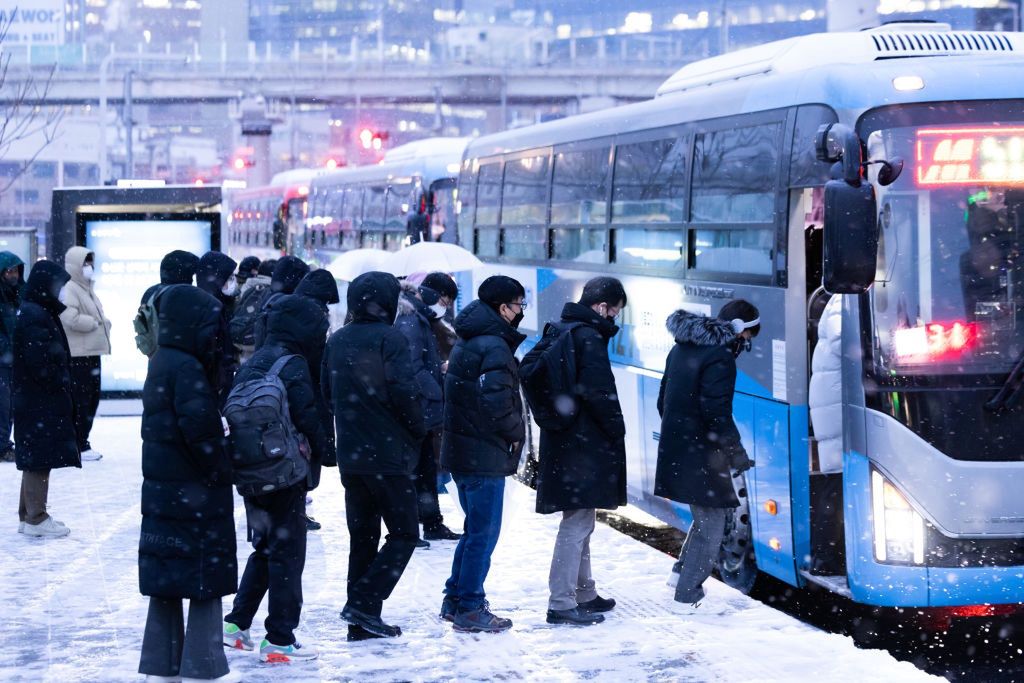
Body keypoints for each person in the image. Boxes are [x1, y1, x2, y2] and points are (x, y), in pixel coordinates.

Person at [138, 285, 236, 681]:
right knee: (203, 577)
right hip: (193, 492)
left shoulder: (163, 359)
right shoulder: (189, 369)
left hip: (165, 488)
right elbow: (201, 434)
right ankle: (203, 662)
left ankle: (162, 660)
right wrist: (222, 467)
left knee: (167, 576)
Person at [223, 294, 328, 663]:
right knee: (288, 555)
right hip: (284, 472)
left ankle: (236, 625)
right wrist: (326, 451)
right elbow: (307, 416)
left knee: (266, 548)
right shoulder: (293, 363)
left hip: (252, 471)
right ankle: (280, 639)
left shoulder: (256, 359)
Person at [323, 271, 426, 640]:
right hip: (387, 455)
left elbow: (326, 392)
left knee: (362, 538)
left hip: (352, 455)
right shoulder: (391, 339)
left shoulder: (337, 340)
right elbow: (405, 392)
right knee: (404, 534)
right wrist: (417, 430)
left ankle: (360, 624)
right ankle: (365, 602)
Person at [529, 277, 627, 627]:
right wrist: (618, 430)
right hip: (585, 446)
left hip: (568, 442)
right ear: (602, 307)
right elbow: (601, 394)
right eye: (614, 310)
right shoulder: (587, 337)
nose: (614, 317)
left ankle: (584, 592)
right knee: (577, 524)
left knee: (582, 520)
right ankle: (561, 601)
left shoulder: (562, 329)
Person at [656, 299, 758, 611]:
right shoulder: (721, 358)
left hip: (679, 447)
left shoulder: (683, 347)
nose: (747, 345)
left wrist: (681, 432)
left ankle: (679, 576)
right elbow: (717, 413)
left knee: (705, 517)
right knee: (713, 522)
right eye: (748, 337)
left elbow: (663, 400)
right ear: (738, 331)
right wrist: (735, 453)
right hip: (701, 452)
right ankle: (687, 595)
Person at [440, 275, 527, 633]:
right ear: (503, 308)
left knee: (474, 529)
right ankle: (470, 606)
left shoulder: (471, 337)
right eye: (519, 304)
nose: (521, 311)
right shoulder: (493, 345)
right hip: (482, 453)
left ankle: (455, 598)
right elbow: (495, 402)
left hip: (465, 449)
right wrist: (516, 432)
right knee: (483, 533)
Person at [14, 261, 78, 538]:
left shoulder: (36, 311)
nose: (62, 291)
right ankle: (36, 518)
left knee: (35, 456)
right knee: (39, 457)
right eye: (59, 286)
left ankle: (28, 515)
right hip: (39, 400)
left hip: (35, 399)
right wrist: (57, 379)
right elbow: (39, 361)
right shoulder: (35, 314)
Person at [394, 279, 461, 544]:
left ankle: (431, 523)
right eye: (444, 301)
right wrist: (437, 391)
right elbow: (413, 368)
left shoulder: (416, 316)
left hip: (420, 405)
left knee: (423, 469)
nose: (444, 307)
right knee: (418, 469)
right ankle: (418, 526)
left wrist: (437, 368)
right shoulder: (412, 321)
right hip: (419, 406)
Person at [294, 268, 341, 530]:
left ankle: (294, 507)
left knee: (298, 445)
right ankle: (297, 509)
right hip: (310, 389)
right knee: (309, 445)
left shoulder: (288, 307)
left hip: (294, 386)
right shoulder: (313, 314)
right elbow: (317, 358)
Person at [58, 247, 112, 463]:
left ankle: (82, 440)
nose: (89, 267)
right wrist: (93, 324)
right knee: (82, 401)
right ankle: (79, 443)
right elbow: (68, 317)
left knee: (91, 400)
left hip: (92, 353)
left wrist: (104, 323)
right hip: (80, 355)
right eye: (85, 263)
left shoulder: (86, 288)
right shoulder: (70, 289)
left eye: (90, 262)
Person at [196, 251, 239, 405]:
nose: (233, 282)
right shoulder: (209, 311)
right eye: (229, 277)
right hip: (214, 393)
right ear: (217, 279)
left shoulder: (220, 306)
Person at [252, 256, 310, 351]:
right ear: (295, 279)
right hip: (278, 361)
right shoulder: (287, 304)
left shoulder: (270, 295)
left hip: (263, 358)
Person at [0, 251, 23, 463]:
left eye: (16, 270)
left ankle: (5, 444)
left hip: (13, 360)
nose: (13, 275)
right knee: (4, 405)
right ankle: (3, 446)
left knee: (10, 406)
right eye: (9, 271)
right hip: (3, 361)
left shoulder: (17, 295)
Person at [421, 271, 459, 361]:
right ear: (431, 294)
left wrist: (440, 366)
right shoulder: (414, 320)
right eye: (444, 303)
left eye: (447, 305)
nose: (444, 308)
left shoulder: (433, 323)